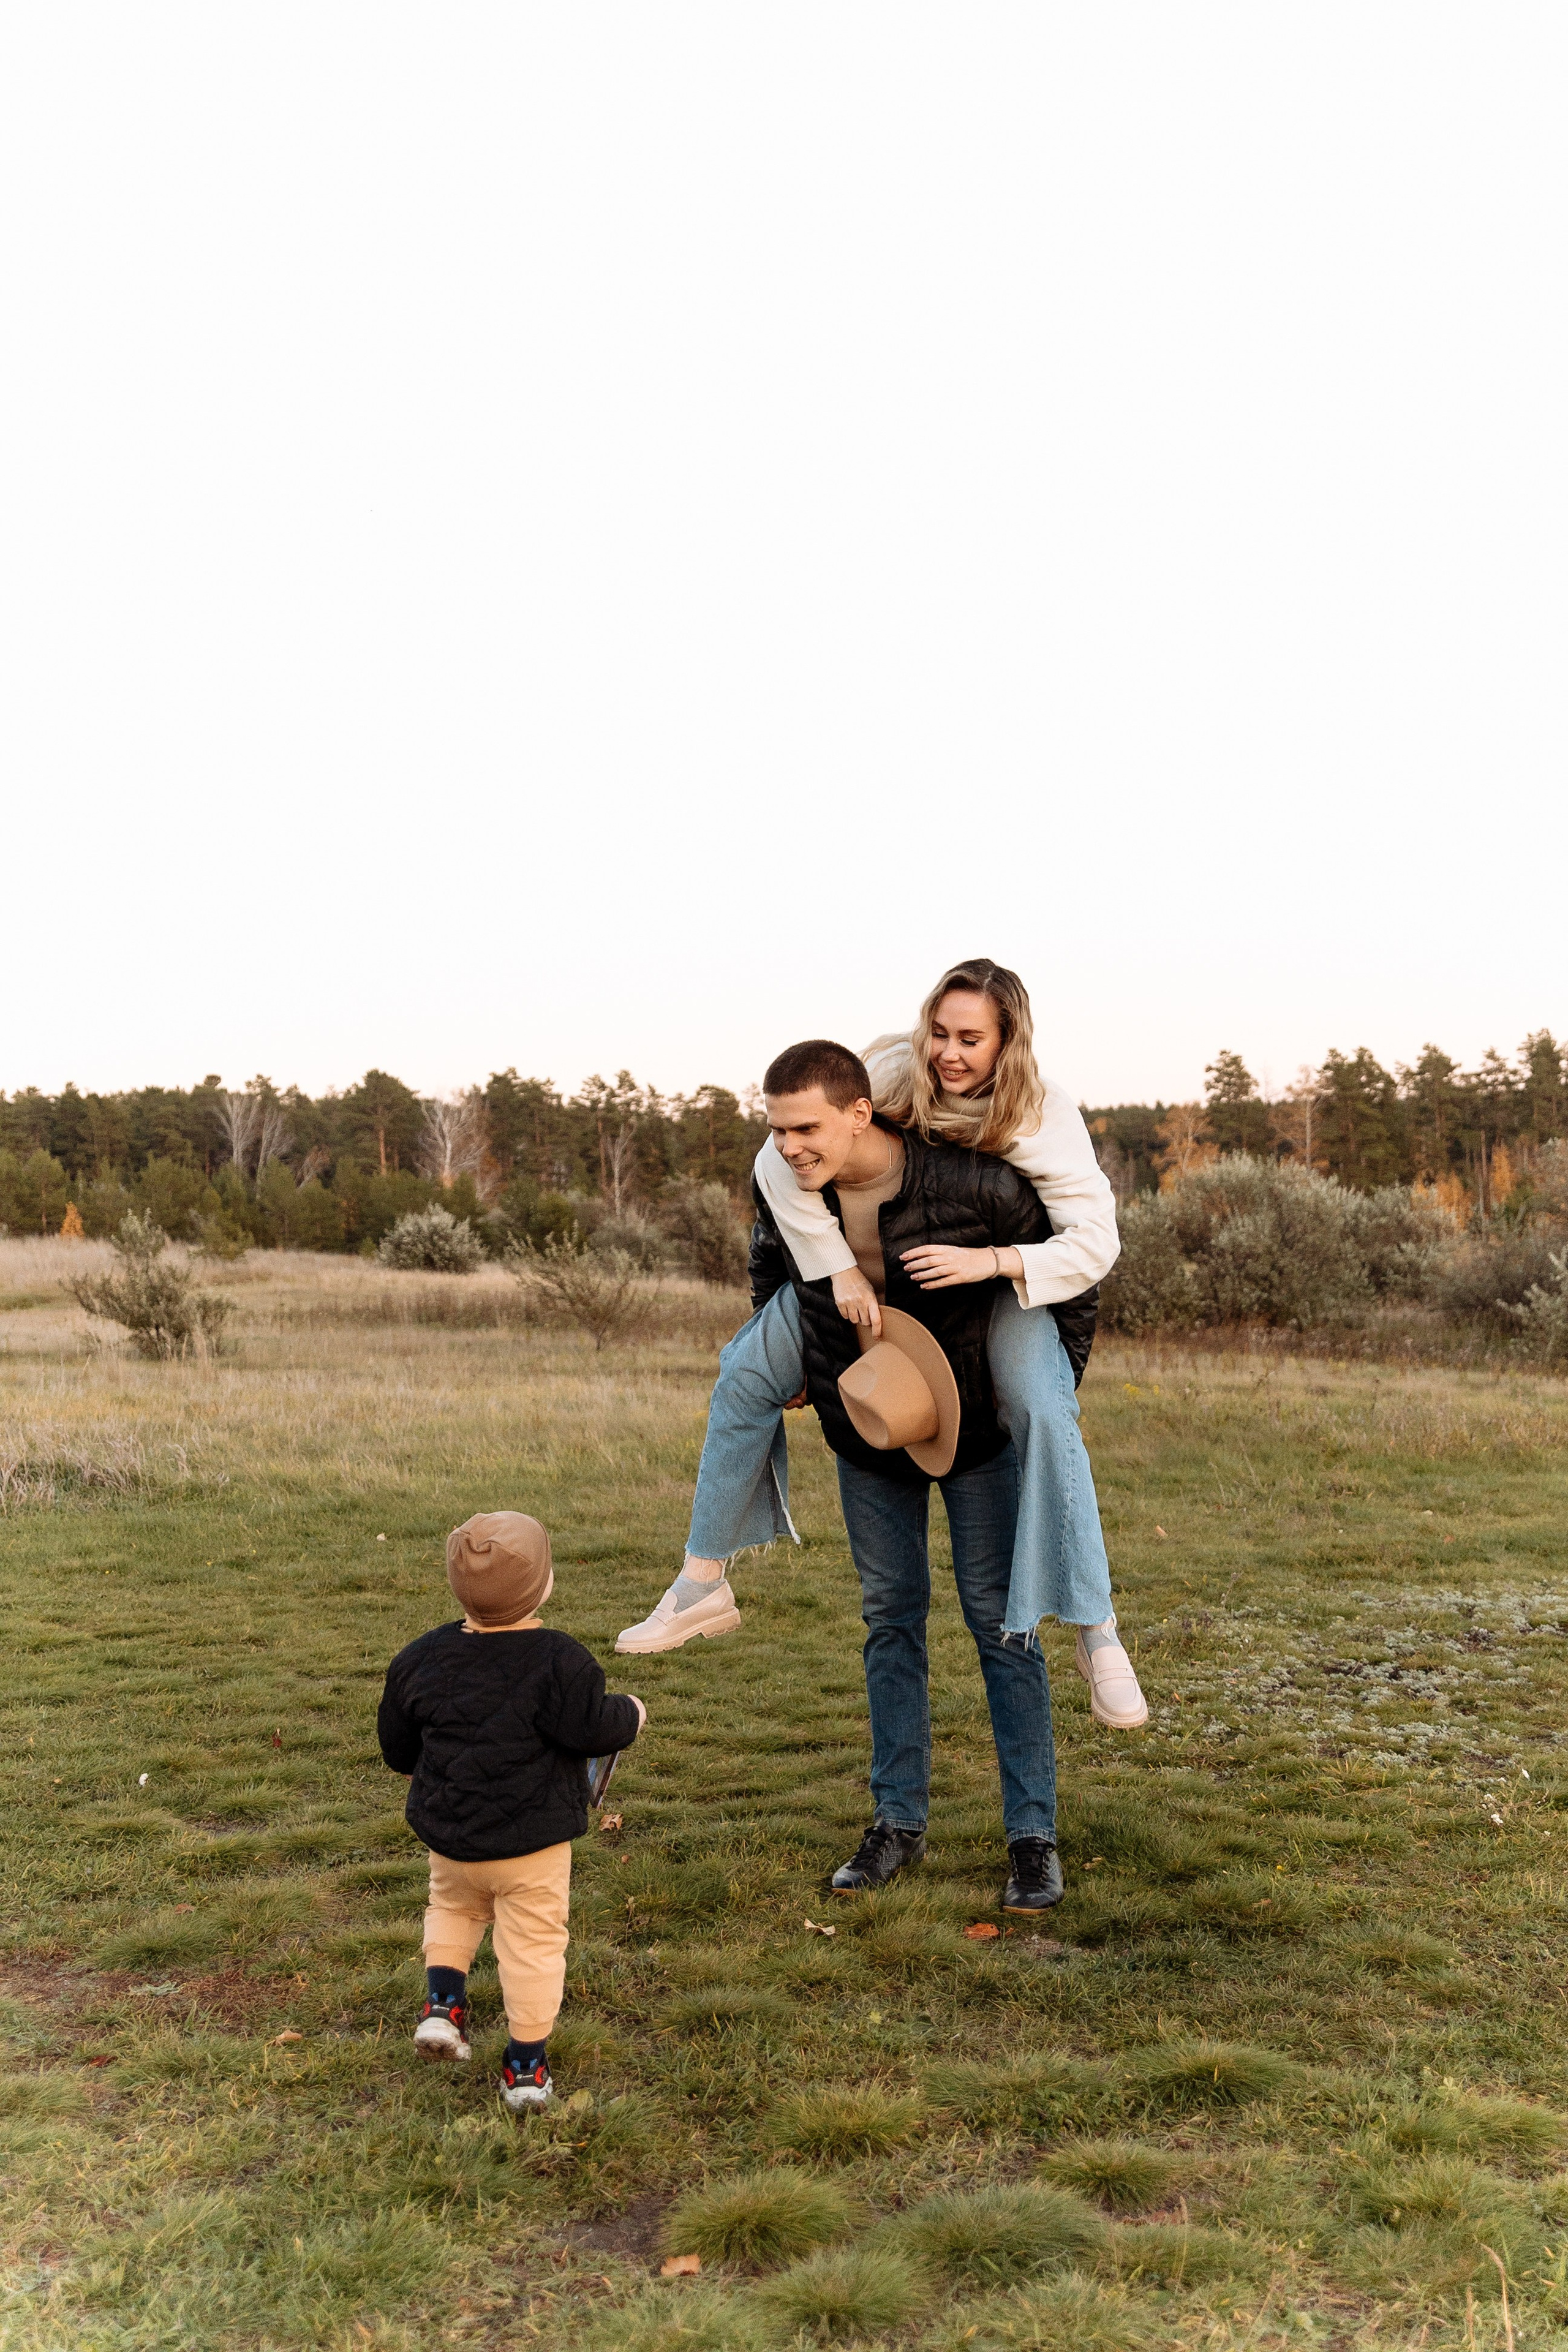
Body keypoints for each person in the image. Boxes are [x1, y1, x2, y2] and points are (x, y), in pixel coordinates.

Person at [616, 958, 1146, 1733]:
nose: (949, 1053)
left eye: (971, 1038)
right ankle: (703, 1581)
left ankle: (1095, 1629)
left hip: (1004, 1283)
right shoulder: (893, 1072)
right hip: (874, 1285)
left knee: (1040, 1405)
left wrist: (994, 1263)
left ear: (1009, 1043)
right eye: (939, 1031)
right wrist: (834, 1272)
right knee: (742, 1374)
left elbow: (1097, 1243)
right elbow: (778, 1158)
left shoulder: (1040, 1114)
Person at [737, 1038, 1068, 1912]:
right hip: (867, 1422)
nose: (790, 1145)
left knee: (1003, 1626)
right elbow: (772, 1267)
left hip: (974, 1428)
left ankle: (1032, 1836)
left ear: (859, 1113)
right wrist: (805, 1366)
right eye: (777, 1130)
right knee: (890, 1618)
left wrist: (1040, 1398)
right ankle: (896, 1823)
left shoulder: (974, 1180)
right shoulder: (783, 1183)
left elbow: (1062, 1282)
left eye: (805, 1127)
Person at [377, 1510, 646, 2114]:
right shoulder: (562, 1661)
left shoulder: (418, 1658)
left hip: (452, 1840)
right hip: (532, 1846)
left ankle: (443, 2008)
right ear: (543, 1584)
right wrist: (631, 1712)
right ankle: (525, 2069)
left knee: (450, 1907)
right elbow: (590, 1729)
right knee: (533, 1948)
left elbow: (399, 1752)